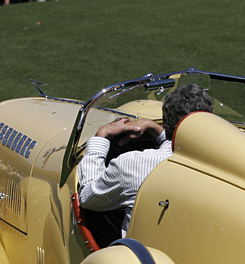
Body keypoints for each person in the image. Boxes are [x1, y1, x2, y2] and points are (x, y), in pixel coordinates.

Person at [79, 84, 214, 237]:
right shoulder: (227, 164)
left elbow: (88, 198)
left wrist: (101, 137)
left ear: (166, 119)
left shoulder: (131, 165)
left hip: (145, 258)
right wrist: (156, 130)